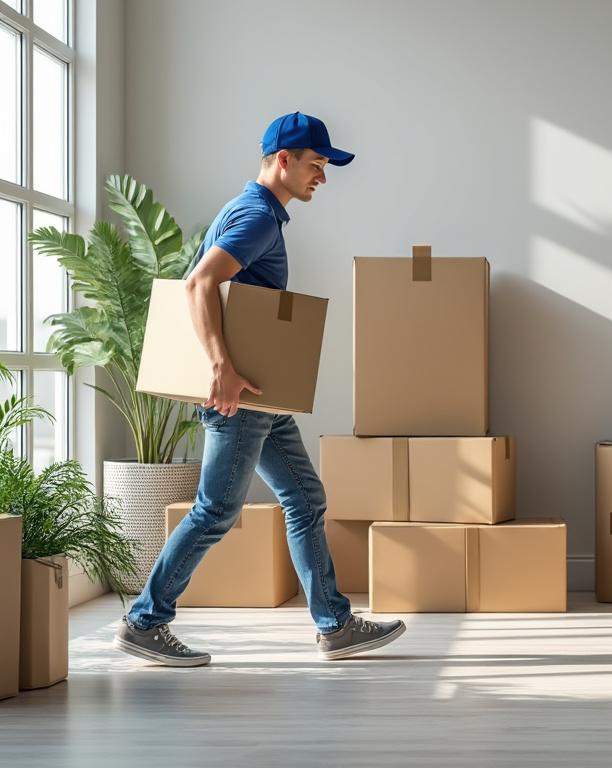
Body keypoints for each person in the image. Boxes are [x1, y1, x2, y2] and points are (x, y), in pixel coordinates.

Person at [113, 112, 405, 666]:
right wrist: (220, 367)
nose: (322, 176)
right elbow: (200, 283)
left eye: (325, 166)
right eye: (316, 164)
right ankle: (144, 621)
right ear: (282, 160)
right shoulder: (257, 218)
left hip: (260, 397)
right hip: (241, 396)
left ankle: (335, 625)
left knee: (304, 497)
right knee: (217, 509)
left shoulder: (253, 210)